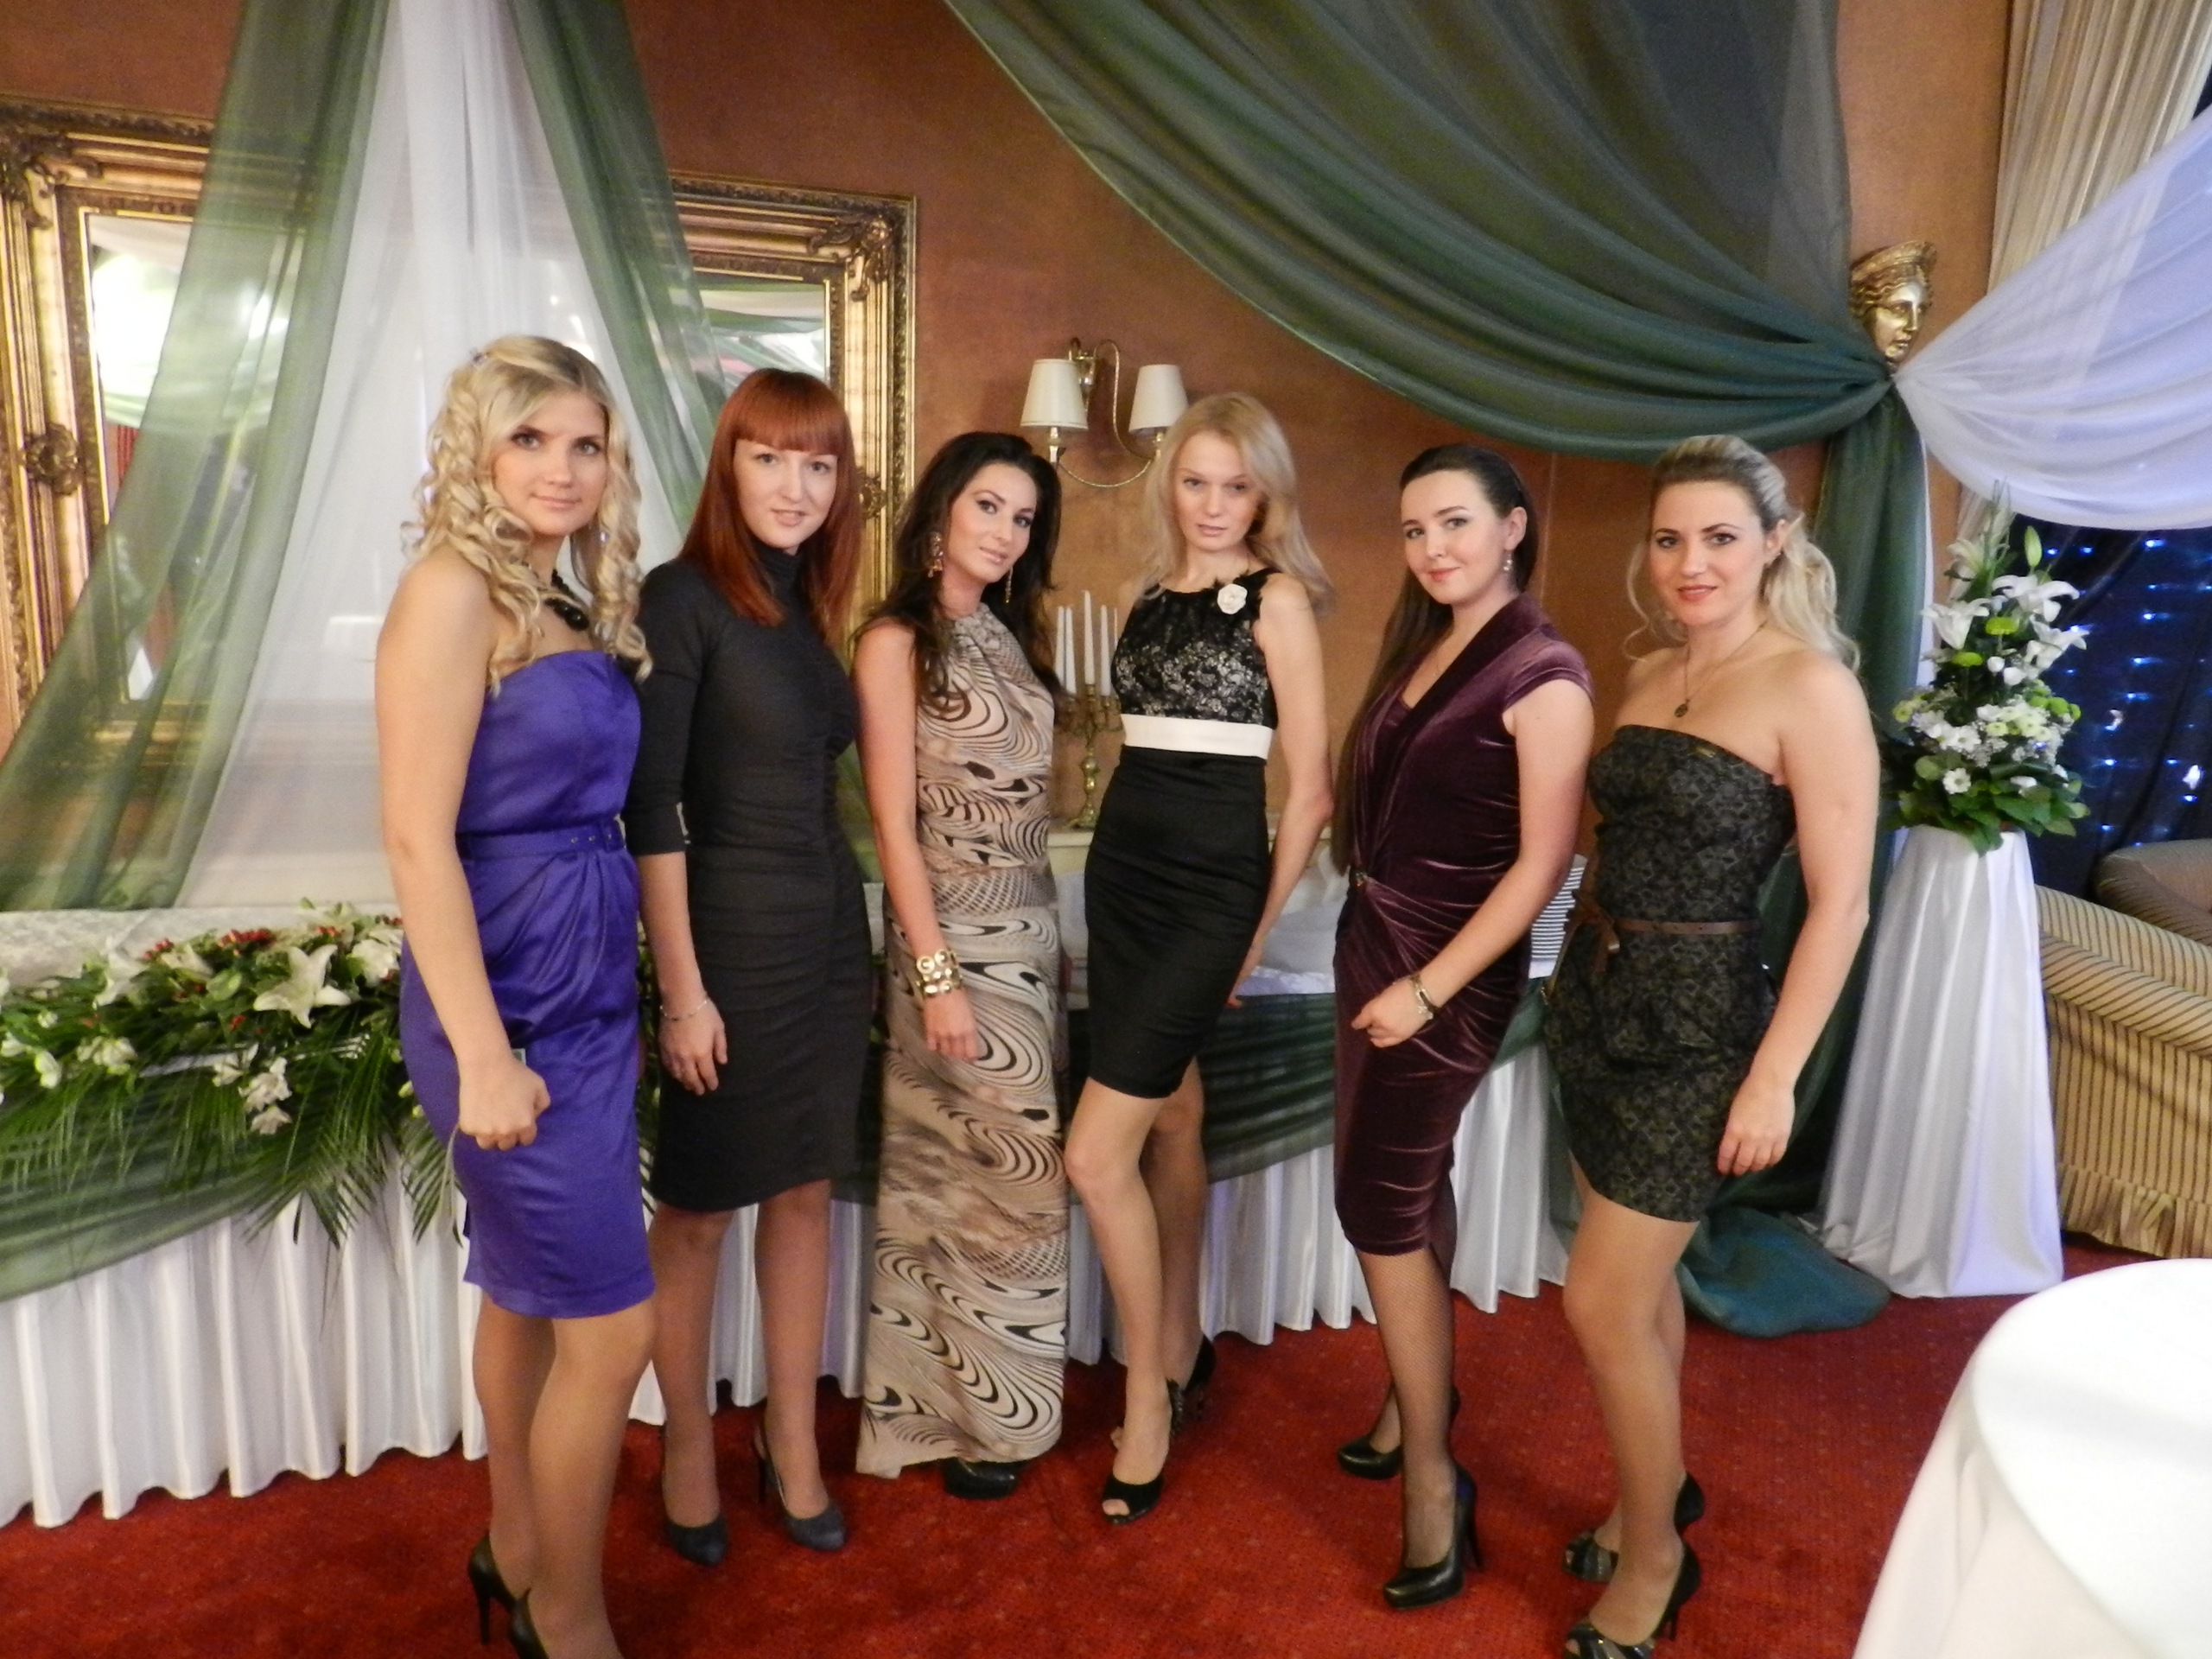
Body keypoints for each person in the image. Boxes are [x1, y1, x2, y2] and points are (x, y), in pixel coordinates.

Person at [1545, 435, 1877, 1656]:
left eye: (1721, 538)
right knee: (1637, 1296)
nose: (1692, 563)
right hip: (1597, 1003)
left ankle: (1656, 1556)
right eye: (1671, 539)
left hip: (1700, 1029)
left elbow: (1840, 906)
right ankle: (1659, 1491)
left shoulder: (1811, 688)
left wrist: (1774, 1077)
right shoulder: (1646, 672)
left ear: (1774, 543)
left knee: (1598, 1302)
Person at [379, 336, 654, 1659]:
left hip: (589, 991)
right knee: (614, 1328)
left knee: (531, 1295)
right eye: (531, 439)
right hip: (504, 1002)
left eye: (586, 444)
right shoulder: (451, 592)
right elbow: (415, 839)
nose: (563, 468)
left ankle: (516, 1549)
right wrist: (486, 1057)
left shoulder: (568, 599)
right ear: (477, 452)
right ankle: (568, 1621)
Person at [1063, 393, 1334, 1522]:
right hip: (1122, 878)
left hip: (1213, 896)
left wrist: (1255, 927)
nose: (1215, 505)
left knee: (1095, 1156)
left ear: (1265, 496)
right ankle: (1180, 1341)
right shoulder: (1143, 596)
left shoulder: (1277, 599)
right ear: (1170, 485)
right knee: (1172, 1114)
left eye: (1237, 486)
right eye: (1196, 482)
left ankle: (1146, 1397)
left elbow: (1308, 791)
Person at [1331, 444, 1593, 1609]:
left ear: (1511, 529)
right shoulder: (1430, 644)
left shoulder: (1545, 673)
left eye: (1454, 523)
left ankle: (1435, 1478)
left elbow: (1541, 867)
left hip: (1446, 976)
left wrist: (1429, 990)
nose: (1433, 548)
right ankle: (1412, 1400)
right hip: (1374, 946)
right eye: (1414, 529)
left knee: (1378, 1203)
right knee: (1409, 1177)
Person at [626, 370, 868, 1560]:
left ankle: (791, 1440)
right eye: (769, 458)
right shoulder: (681, 596)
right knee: (699, 1211)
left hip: (829, 938)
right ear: (727, 465)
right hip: (726, 941)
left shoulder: (812, 606)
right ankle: (684, 1445)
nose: (795, 486)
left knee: (807, 1189)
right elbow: (651, 804)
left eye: (818, 464)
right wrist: (683, 992)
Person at [853, 432, 1068, 1499]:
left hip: (1028, 936)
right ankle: (956, 1415)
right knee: (958, 1181)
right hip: (949, 944)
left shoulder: (1009, 636)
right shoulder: (897, 640)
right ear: (941, 509)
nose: (1005, 532)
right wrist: (935, 976)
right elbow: (892, 824)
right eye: (988, 506)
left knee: (1007, 1188)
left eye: (1022, 518)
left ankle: (996, 1413)